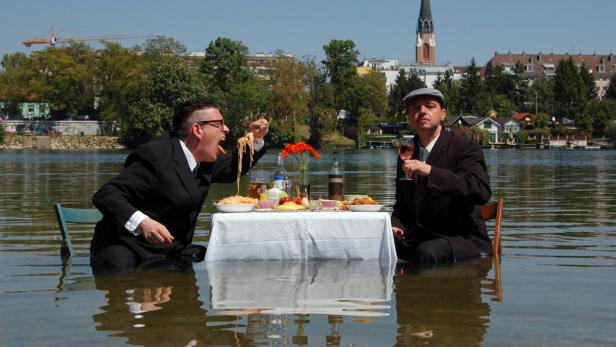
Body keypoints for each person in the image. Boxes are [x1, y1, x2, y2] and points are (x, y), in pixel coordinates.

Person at [90, 97, 269, 272]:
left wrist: (255, 139)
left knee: (222, 258)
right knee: (122, 271)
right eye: (218, 124)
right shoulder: (156, 155)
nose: (226, 129)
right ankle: (137, 300)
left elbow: (232, 169)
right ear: (197, 130)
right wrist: (144, 223)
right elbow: (107, 195)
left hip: (174, 251)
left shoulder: (203, 159)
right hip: (128, 249)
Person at [391, 88, 492, 264]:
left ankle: (431, 290)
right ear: (409, 117)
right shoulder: (406, 151)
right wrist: (396, 226)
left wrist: (430, 171)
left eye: (430, 106)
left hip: (463, 238)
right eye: (415, 108)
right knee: (379, 245)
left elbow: (481, 191)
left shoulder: (465, 148)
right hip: (420, 236)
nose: (422, 111)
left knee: (427, 252)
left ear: (443, 114)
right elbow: (402, 205)